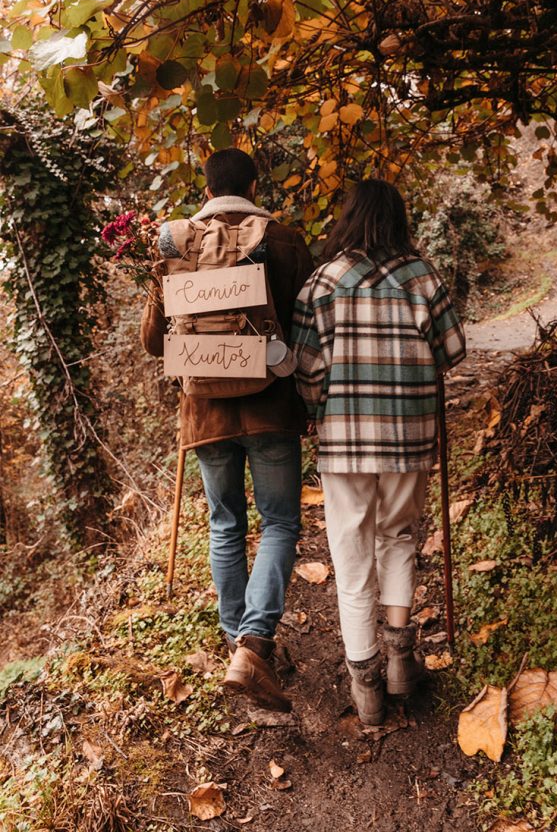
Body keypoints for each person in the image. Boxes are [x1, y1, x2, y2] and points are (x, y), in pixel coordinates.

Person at [141, 149, 313, 712]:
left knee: (224, 523)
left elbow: (153, 340)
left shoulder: (173, 242)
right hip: (269, 408)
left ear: (206, 188)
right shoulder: (283, 240)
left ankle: (235, 640)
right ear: (255, 184)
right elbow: (307, 326)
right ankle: (254, 643)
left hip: (206, 412)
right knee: (281, 520)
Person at [291, 179, 465, 725]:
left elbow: (305, 368)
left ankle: (366, 685)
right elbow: (453, 351)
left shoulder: (322, 282)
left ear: (349, 217)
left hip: (343, 442)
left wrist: (323, 401)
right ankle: (400, 662)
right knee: (398, 538)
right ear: (398, 219)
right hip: (410, 439)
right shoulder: (423, 275)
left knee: (349, 552)